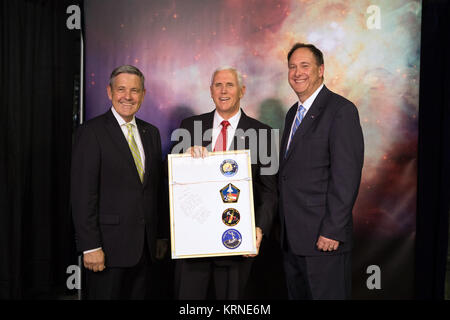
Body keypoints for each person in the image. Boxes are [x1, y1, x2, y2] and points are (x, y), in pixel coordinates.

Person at [171, 66, 278, 299]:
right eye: (218, 85)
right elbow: (174, 184)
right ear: (210, 91)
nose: (223, 90)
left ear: (242, 90)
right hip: (195, 244)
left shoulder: (264, 134)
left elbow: (270, 191)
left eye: (230, 85)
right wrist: (184, 158)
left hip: (237, 242)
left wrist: (258, 228)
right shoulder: (188, 128)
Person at [279, 43, 364, 300]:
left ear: (321, 70)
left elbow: (346, 176)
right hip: (293, 240)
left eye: (305, 66)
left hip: (323, 239)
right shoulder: (293, 113)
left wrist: (332, 230)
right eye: (292, 67)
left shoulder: (341, 110)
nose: (297, 72)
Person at [71, 65, 164, 299]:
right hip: (107, 251)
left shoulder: (150, 132)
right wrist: (90, 246)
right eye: (121, 89)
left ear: (143, 95)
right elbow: (83, 195)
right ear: (109, 92)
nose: (128, 96)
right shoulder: (91, 132)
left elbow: (154, 189)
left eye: (135, 90)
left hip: (145, 250)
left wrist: (160, 236)